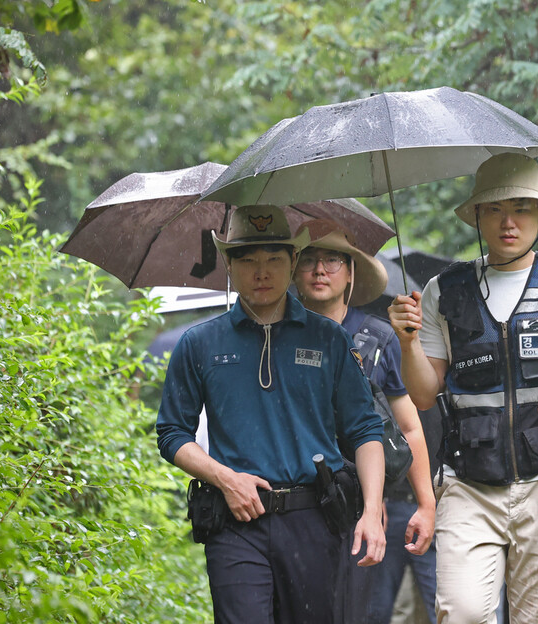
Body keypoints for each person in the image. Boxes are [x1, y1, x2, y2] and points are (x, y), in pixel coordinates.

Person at [388, 153, 538, 623]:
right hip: (467, 484)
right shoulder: (444, 290)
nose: (507, 221)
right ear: (477, 215)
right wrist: (408, 340)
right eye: (495, 209)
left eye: (521, 208)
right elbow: (422, 395)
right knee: (461, 613)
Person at [156, 205, 386, 624]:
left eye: (274, 259)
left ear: (293, 261)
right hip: (236, 520)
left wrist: (371, 511)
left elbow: (365, 428)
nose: (261, 272)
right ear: (228, 263)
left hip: (315, 517)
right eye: (247, 259)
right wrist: (225, 478)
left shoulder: (330, 339)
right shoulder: (199, 344)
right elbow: (172, 433)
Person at [293, 218, 436, 624]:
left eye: (333, 260)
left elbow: (409, 428)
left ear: (351, 272)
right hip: (293, 502)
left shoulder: (377, 339)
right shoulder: (279, 335)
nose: (320, 270)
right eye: (309, 260)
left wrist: (425, 503)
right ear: (294, 269)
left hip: (358, 502)